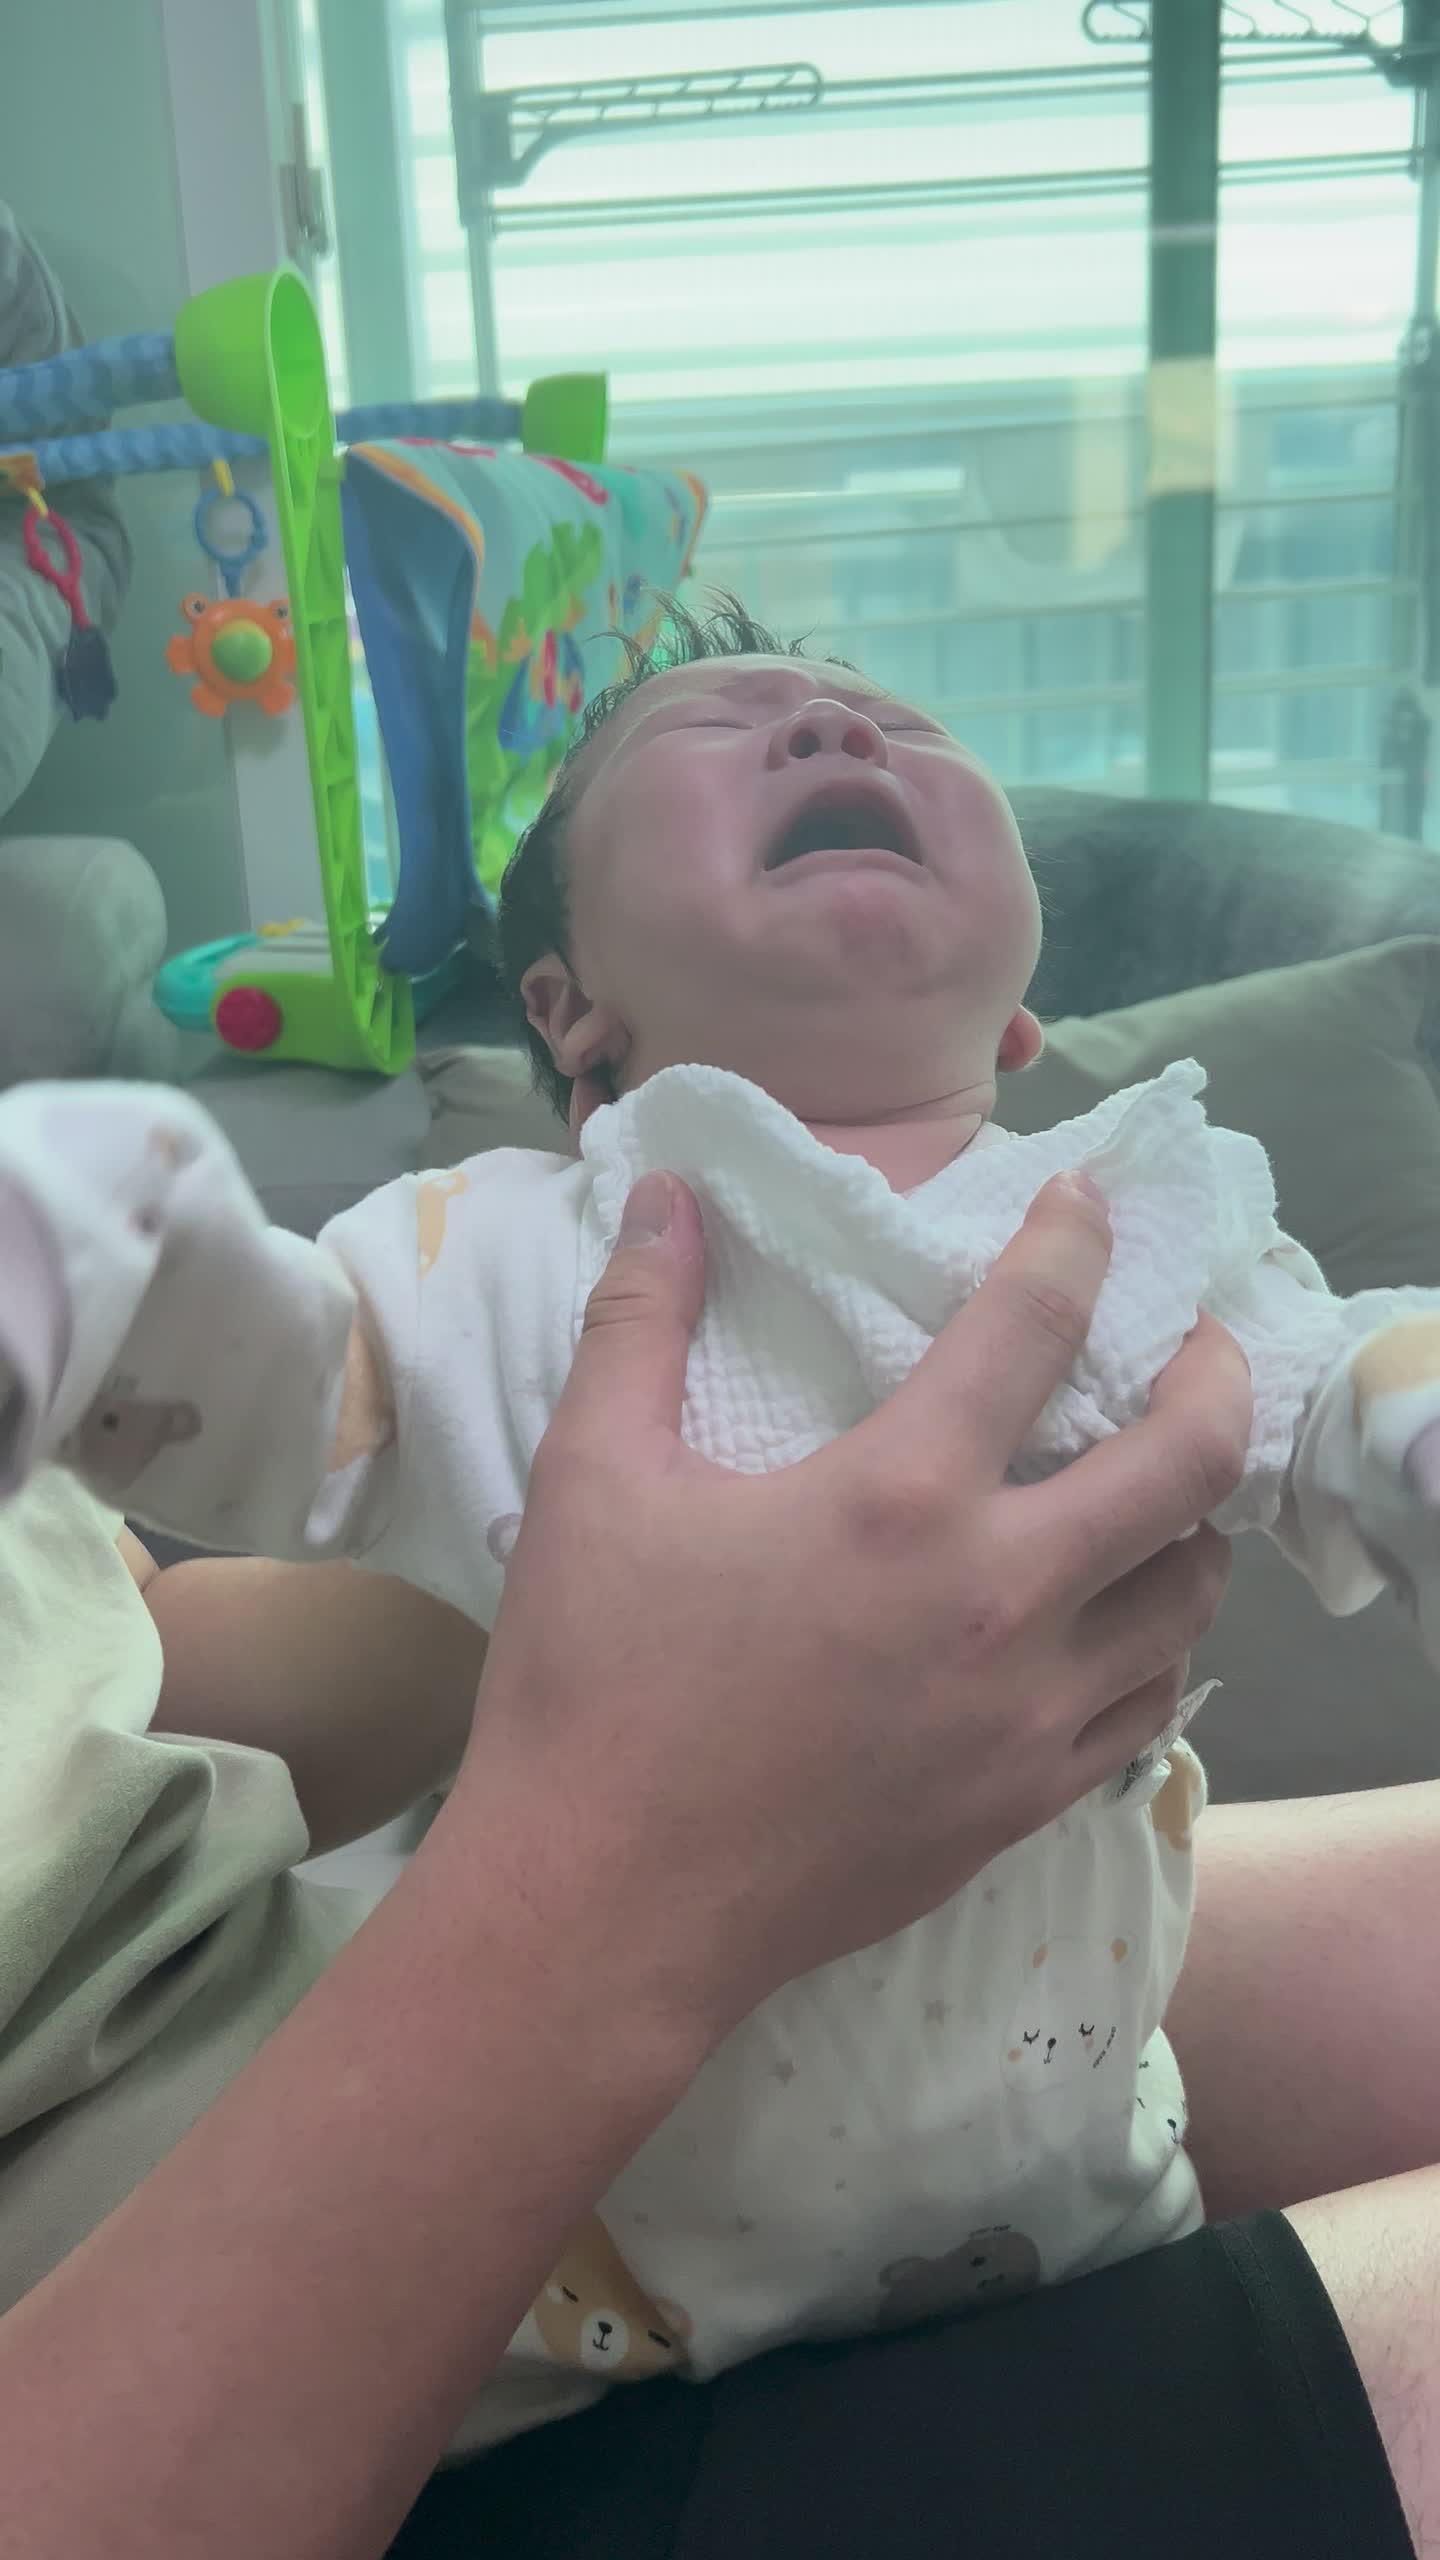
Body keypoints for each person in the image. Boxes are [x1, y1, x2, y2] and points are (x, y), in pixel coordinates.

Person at [0, 599, 1439, 2445]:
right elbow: (290, 1403)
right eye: (717, 724)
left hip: (1086, 2155)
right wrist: (122, 1253)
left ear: (1018, 1011)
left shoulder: (1143, 1202)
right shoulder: (508, 1249)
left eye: (897, 718)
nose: (836, 728)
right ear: (565, 1008)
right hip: (585, 2293)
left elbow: (1329, 1377)